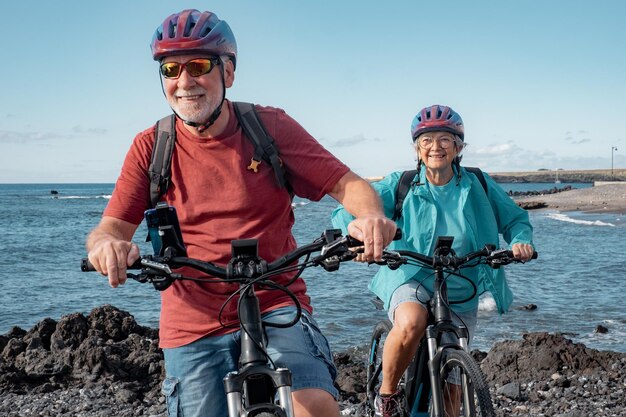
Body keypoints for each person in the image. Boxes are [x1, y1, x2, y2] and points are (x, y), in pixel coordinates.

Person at [86, 9, 396, 417]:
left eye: (198, 66)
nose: (184, 82)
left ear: (228, 72)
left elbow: (348, 185)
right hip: (193, 317)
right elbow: (112, 227)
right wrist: (107, 246)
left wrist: (370, 216)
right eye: (170, 69)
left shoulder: (268, 127)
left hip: (275, 299)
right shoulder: (151, 146)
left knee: (316, 406)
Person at [332, 104, 534, 417]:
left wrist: (521, 241)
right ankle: (387, 395)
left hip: (462, 282)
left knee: (453, 383)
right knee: (411, 322)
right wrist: (359, 234)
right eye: (426, 141)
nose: (435, 147)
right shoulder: (402, 184)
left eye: (444, 139)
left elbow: (516, 219)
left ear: (458, 147)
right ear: (417, 148)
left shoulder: (478, 183)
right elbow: (350, 208)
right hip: (410, 275)